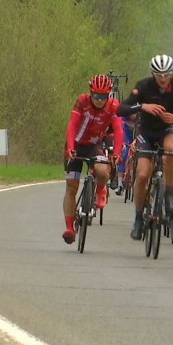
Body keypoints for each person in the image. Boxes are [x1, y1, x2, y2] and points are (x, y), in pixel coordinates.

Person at [117, 54, 173, 240]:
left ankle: (170, 193)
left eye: (167, 74)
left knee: (172, 148)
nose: (163, 78)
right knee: (143, 174)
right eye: (159, 74)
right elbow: (121, 109)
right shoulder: (144, 86)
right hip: (146, 132)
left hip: (166, 130)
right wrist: (142, 107)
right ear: (153, 74)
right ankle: (138, 218)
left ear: (172, 73)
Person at [62, 74, 124, 244]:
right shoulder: (82, 101)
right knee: (72, 186)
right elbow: (72, 125)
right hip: (75, 144)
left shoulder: (113, 106)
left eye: (103, 96)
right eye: (96, 95)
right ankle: (69, 227)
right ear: (90, 92)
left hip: (93, 145)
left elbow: (118, 130)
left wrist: (117, 153)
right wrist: (70, 148)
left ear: (109, 95)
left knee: (103, 170)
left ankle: (101, 189)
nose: (98, 100)